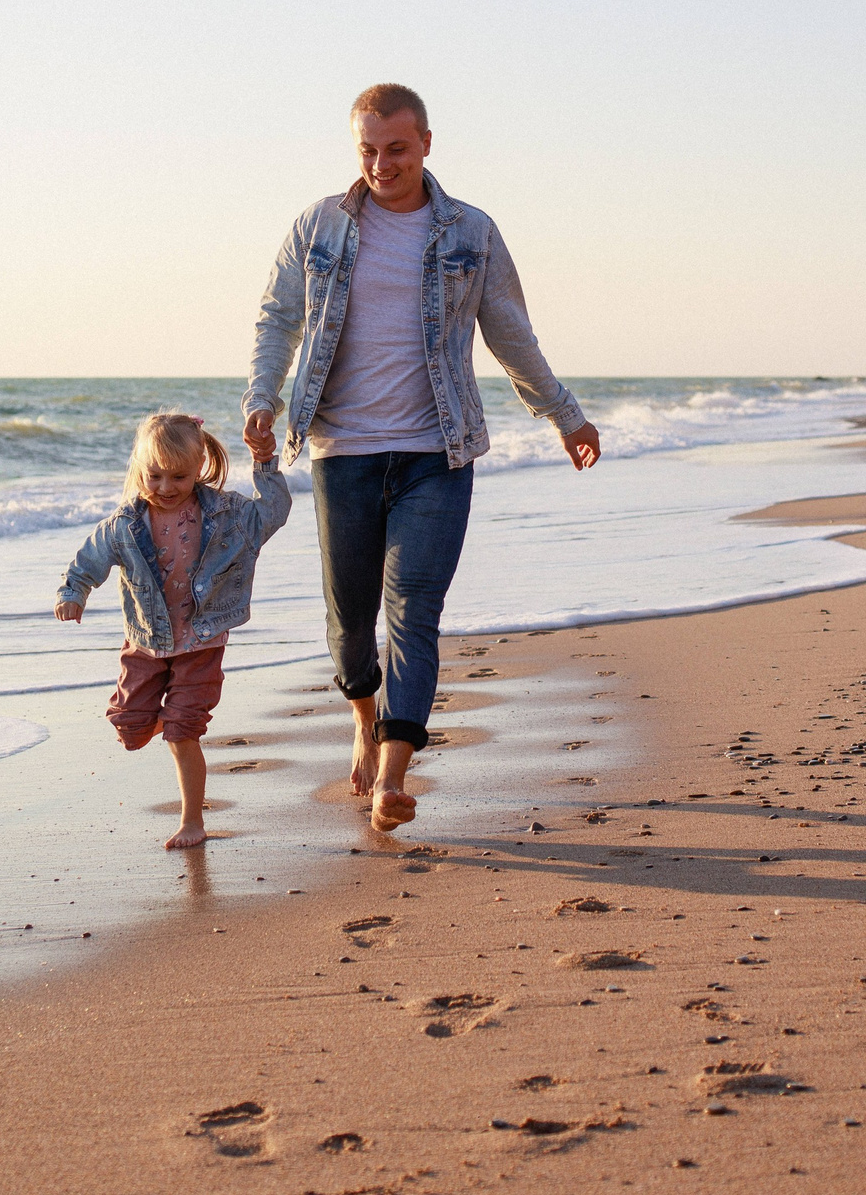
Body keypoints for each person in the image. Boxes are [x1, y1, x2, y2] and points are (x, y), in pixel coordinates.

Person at [245, 84, 601, 832]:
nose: (381, 164)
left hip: (437, 451)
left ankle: (394, 775)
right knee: (349, 618)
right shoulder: (320, 225)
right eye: (368, 150)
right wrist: (263, 400)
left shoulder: (471, 232)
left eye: (396, 149)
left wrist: (565, 415)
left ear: (427, 144)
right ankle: (362, 718)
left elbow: (511, 334)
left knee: (415, 608)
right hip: (341, 451)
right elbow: (279, 315)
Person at [57, 413, 291, 849]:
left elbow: (274, 512)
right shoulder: (124, 524)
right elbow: (89, 559)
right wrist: (74, 592)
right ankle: (154, 717)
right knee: (129, 730)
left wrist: (265, 462)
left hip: (202, 641)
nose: (165, 487)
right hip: (146, 642)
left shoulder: (226, 515)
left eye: (179, 477)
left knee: (182, 732)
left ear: (200, 465)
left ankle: (192, 820)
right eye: (155, 475)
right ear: (140, 467)